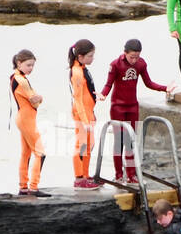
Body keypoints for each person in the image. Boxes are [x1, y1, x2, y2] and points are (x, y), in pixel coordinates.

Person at [101, 39, 167, 182]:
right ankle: (118, 174)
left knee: (131, 141)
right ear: (125, 53)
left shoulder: (141, 64)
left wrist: (165, 88)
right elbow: (108, 84)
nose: (134, 60)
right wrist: (102, 95)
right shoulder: (115, 65)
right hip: (117, 107)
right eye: (131, 57)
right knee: (119, 141)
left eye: (136, 57)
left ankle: (131, 174)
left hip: (132, 106)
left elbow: (149, 83)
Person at [10, 49, 49, 197]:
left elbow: (32, 99)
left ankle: (23, 187)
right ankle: (33, 187)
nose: (31, 68)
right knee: (41, 153)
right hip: (26, 118)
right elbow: (34, 101)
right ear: (19, 63)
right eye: (28, 65)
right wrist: (41, 97)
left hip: (24, 118)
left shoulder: (16, 77)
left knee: (26, 153)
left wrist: (37, 98)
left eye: (32, 65)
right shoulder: (21, 79)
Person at [69, 39, 99, 188]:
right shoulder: (77, 72)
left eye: (93, 55)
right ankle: (79, 178)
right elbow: (78, 99)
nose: (92, 59)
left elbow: (88, 94)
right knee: (81, 145)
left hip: (88, 111)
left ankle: (86, 175)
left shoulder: (83, 68)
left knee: (89, 144)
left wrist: (92, 114)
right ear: (80, 57)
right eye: (90, 56)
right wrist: (85, 121)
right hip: (81, 114)